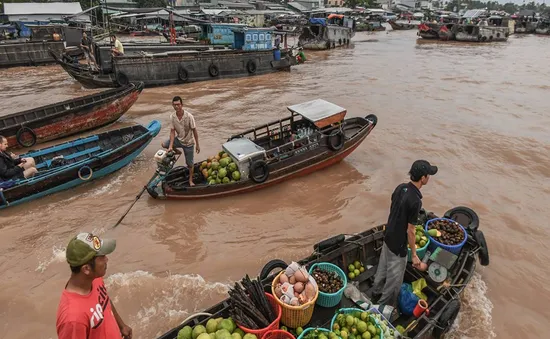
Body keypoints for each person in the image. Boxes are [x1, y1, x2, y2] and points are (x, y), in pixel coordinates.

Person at [371, 160, 438, 307]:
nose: (429, 178)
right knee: (394, 283)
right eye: (429, 175)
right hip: (398, 246)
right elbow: (411, 231)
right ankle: (381, 309)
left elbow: (394, 207)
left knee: (382, 270)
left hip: (388, 236)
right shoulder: (415, 201)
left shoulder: (401, 188)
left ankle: (375, 292)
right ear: (423, 178)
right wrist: (414, 255)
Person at [56, 232, 133, 339]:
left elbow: (104, 299)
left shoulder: (94, 279)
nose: (107, 259)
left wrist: (121, 325)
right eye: (102, 257)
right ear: (86, 269)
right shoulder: (73, 319)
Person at [162, 96, 200, 186]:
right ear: (172, 105)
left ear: (182, 105)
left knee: (190, 164)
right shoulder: (172, 117)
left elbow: (194, 130)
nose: (176, 107)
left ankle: (190, 180)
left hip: (189, 143)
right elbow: (172, 132)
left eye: (178, 104)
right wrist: (171, 146)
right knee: (164, 144)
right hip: (179, 140)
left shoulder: (189, 116)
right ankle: (177, 151)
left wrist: (197, 145)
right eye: (174, 105)